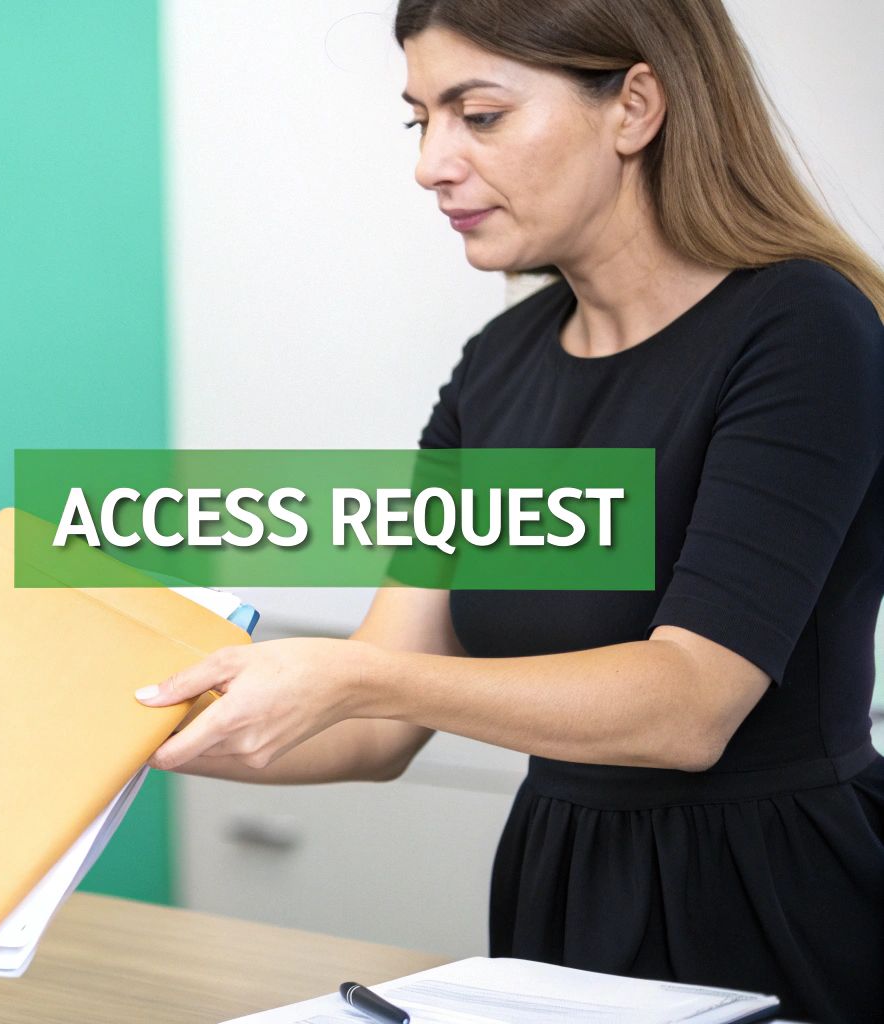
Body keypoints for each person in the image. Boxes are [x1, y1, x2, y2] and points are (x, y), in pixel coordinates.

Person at [136, 1, 884, 1019]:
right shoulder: (495, 369)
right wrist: (119, 724)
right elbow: (375, 727)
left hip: (769, 902)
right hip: (556, 891)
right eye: (419, 120)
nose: (430, 164)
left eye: (475, 114)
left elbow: (687, 703)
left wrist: (350, 675)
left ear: (633, 106)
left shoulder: (800, 327)